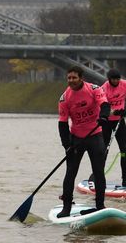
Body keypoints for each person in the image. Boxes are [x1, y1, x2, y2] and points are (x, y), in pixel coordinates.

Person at [56, 65, 110, 217]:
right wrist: (66, 145)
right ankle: (66, 207)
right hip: (76, 139)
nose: (71, 81)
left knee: (99, 172)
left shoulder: (93, 89)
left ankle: (100, 206)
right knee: (70, 173)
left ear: (81, 78)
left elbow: (105, 104)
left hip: (95, 135)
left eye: (74, 77)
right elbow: (62, 123)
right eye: (69, 78)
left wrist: (104, 116)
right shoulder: (65, 98)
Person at [101, 68, 126, 187]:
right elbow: (102, 107)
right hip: (106, 122)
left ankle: (125, 179)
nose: (116, 81)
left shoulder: (124, 84)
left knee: (124, 151)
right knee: (103, 150)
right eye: (113, 79)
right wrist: (115, 112)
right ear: (109, 79)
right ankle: (99, 178)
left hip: (119, 122)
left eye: (118, 79)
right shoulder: (104, 89)